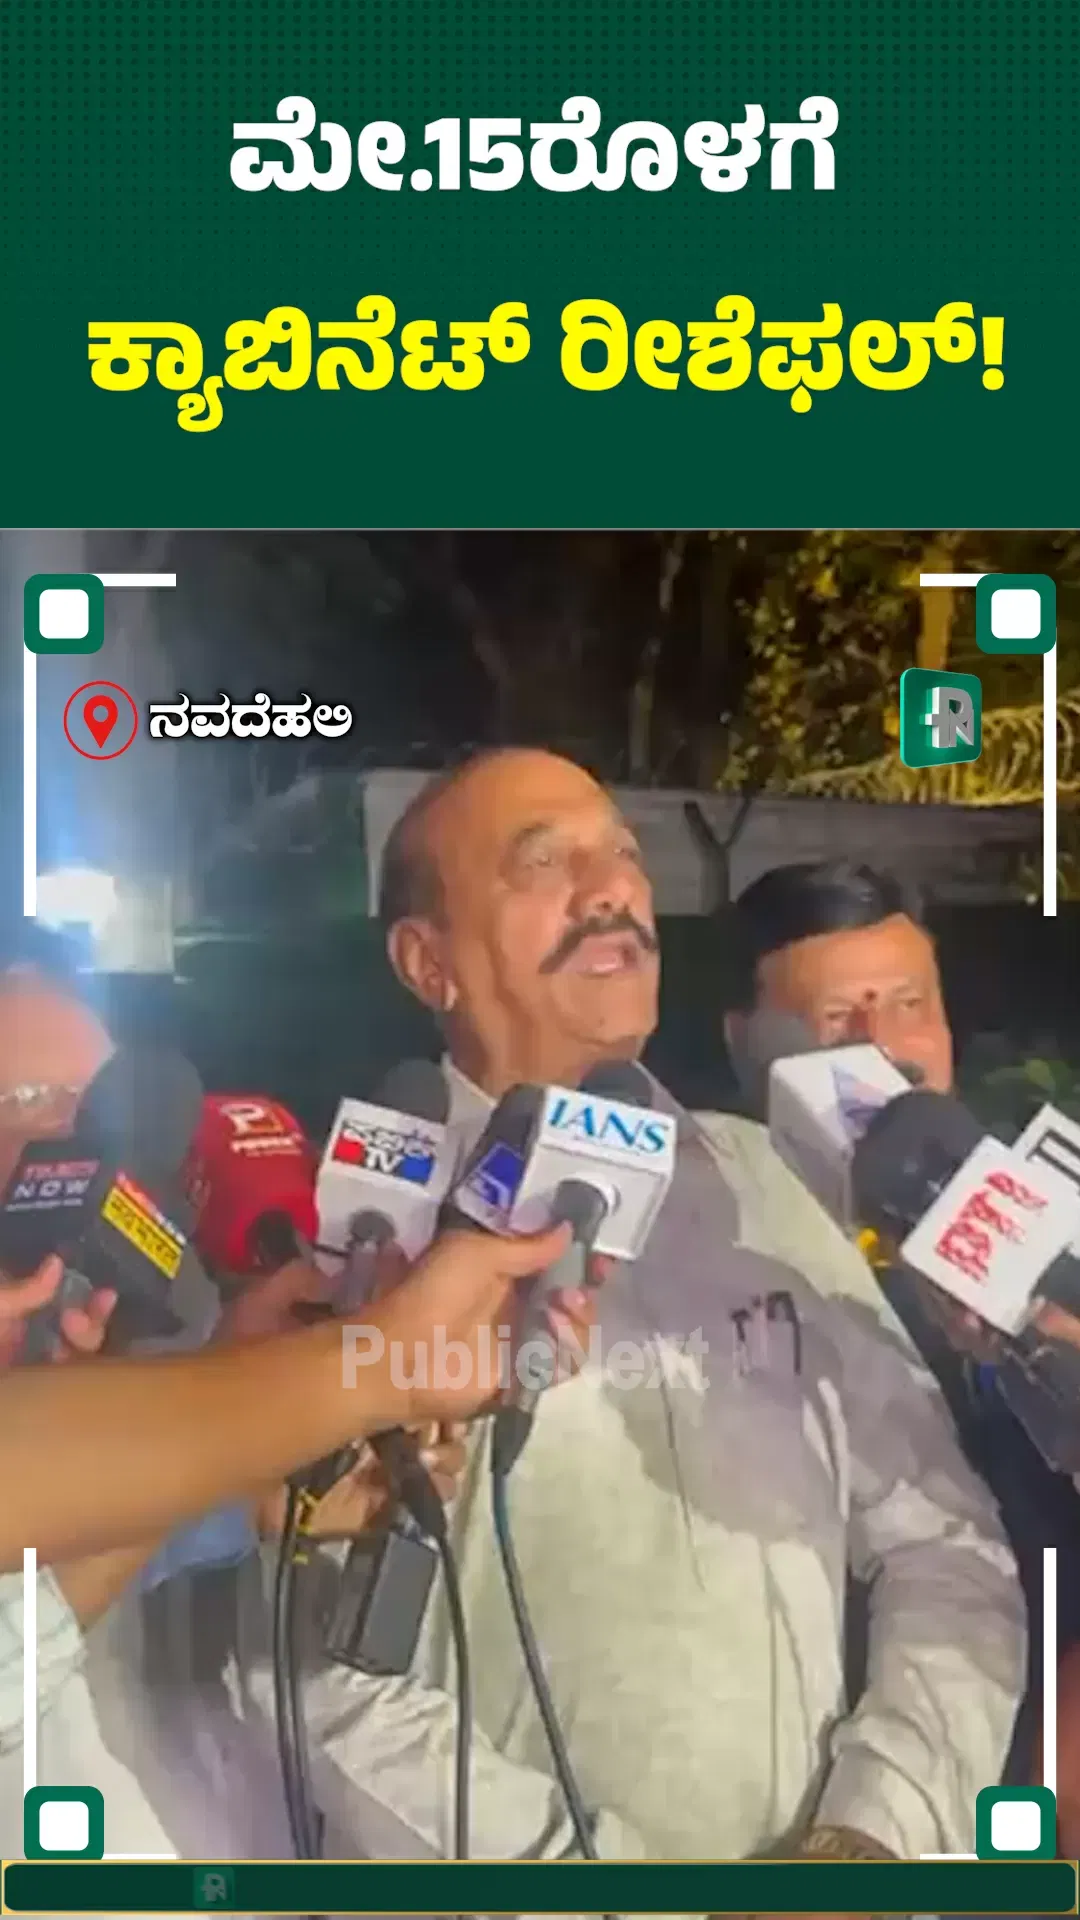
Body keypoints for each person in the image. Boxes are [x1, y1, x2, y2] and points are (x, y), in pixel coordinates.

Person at [246, 747, 1024, 1875]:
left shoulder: (770, 1183)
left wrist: (871, 1839)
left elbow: (947, 1545)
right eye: (543, 862)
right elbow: (307, 1664)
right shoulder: (369, 1235)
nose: (612, 887)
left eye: (622, 853)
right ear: (428, 962)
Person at [720, 856, 1080, 1780]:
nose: (882, 1048)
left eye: (910, 1004)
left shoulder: (1055, 1214)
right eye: (837, 1016)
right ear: (743, 1044)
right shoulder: (711, 1254)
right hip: (849, 1781)